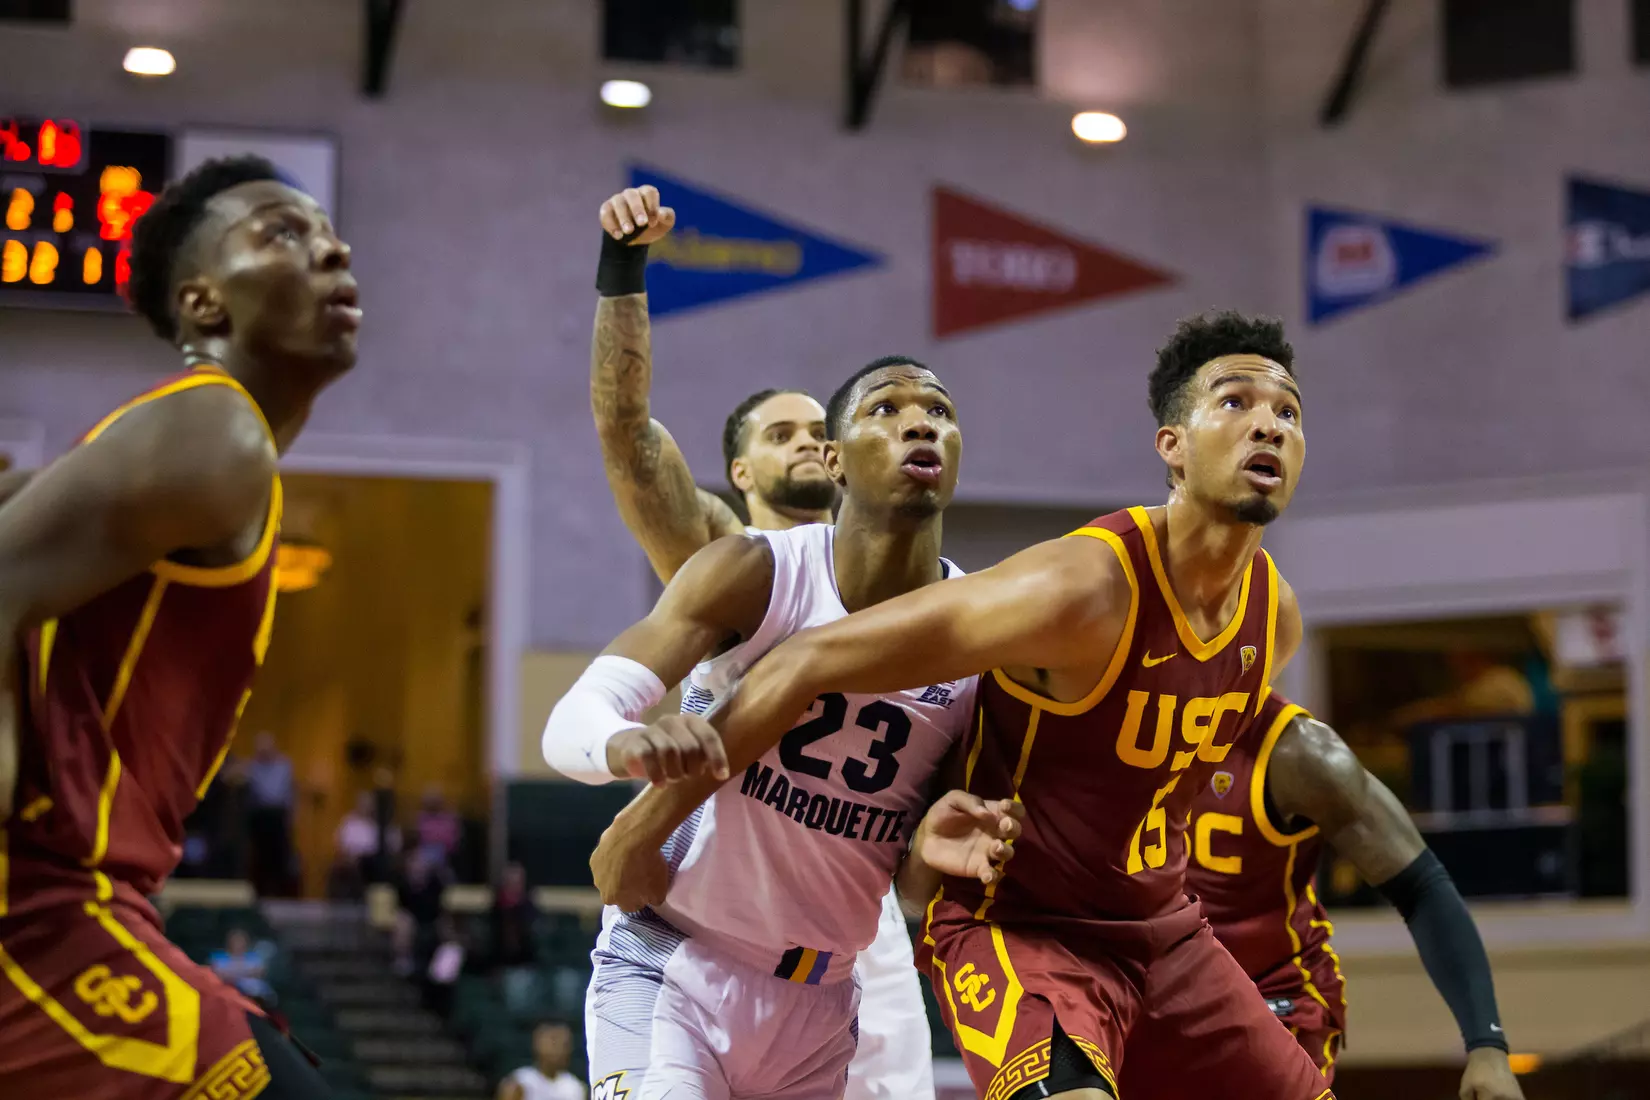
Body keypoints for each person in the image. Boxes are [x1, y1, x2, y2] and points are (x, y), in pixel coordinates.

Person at [595, 311, 1340, 1100]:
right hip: (1013, 925)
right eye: (1236, 403)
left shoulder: (1274, 620)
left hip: (1145, 927)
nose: (1269, 424)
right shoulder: (1070, 586)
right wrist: (644, 824)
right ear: (1172, 446)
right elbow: (806, 657)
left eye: (1288, 412)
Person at [546, 354, 1021, 1100]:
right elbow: (570, 720)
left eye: (938, 411)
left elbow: (910, 886)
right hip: (675, 961)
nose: (919, 423)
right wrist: (622, 742)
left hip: (822, 1001)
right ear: (835, 461)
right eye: (886, 409)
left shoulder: (982, 639)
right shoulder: (758, 571)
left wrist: (932, 851)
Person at [0, 154, 357, 1098]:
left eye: (329, 235)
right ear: (203, 304)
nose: (331, 251)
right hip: (37, 918)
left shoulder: (171, 447)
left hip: (85, 913)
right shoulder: (213, 429)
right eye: (283, 233)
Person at [578, 183, 937, 1100]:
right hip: (713, 911)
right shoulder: (728, 556)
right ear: (739, 470)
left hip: (850, 921)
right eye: (782, 434)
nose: (809, 444)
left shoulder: (921, 577)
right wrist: (624, 270)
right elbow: (625, 433)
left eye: (820, 429)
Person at [1120, 691, 1526, 1100]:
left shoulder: (1300, 751)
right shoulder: (1111, 726)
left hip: (1270, 1000)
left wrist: (1487, 1045)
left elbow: (1421, 885)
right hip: (1147, 1002)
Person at [242, 731, 296, 896]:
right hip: (259, 819)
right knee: (259, 859)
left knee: (280, 860)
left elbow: (286, 795)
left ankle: (280, 894)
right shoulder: (252, 767)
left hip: (278, 818)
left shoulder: (284, 766)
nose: (263, 752)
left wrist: (291, 819)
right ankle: (259, 893)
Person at [498, 1020, 586, 1100]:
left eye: (564, 1044)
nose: (559, 1049)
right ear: (537, 1043)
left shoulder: (576, 1087)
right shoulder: (520, 1083)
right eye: (554, 1042)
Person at [208, 927, 276, 1006]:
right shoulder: (219, 958)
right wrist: (245, 972)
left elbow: (259, 972)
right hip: (228, 994)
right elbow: (217, 975)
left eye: (241, 941)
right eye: (236, 941)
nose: (238, 944)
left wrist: (232, 973)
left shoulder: (254, 957)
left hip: (255, 995)